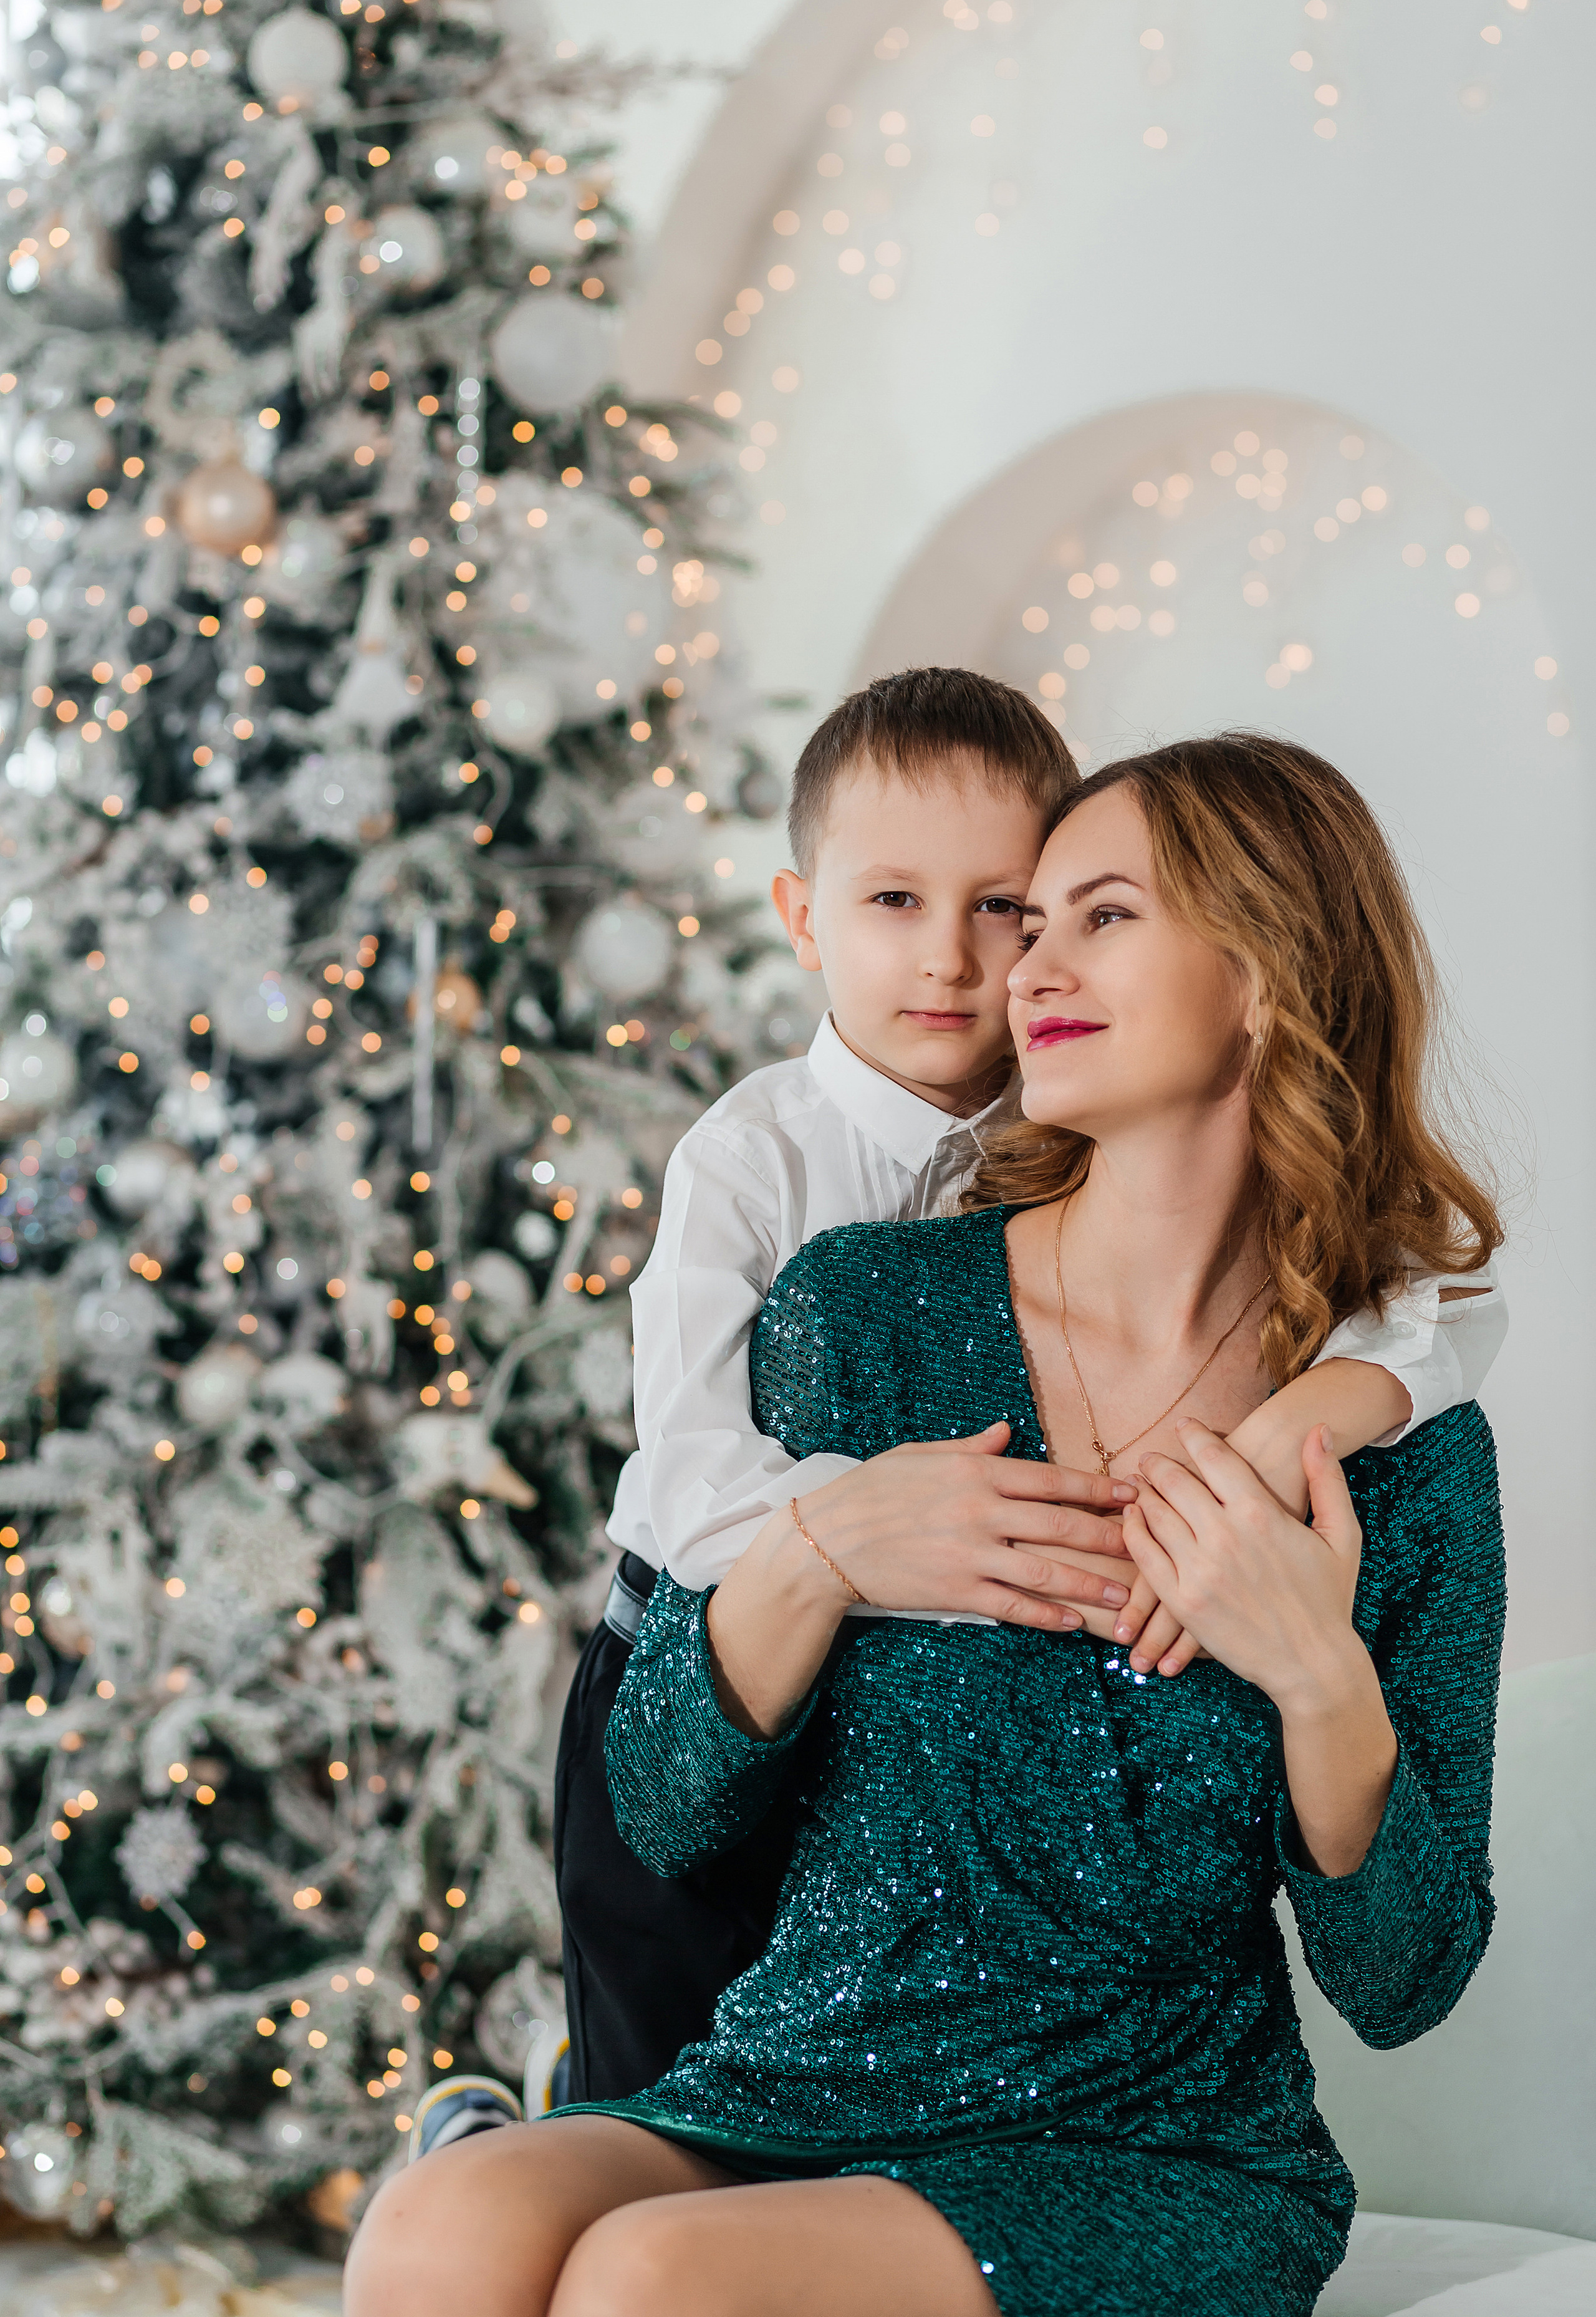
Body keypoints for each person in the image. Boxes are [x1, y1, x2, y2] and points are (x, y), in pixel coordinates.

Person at [346, 732, 1506, 2317]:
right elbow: (671, 1800)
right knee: (437, 2231)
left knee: (655, 2282)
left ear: (1265, 973)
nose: (1024, 964)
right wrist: (821, 1553)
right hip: (798, 2076)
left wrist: (1318, 1678)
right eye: (1036, 920)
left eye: (1100, 915)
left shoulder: (1398, 1451)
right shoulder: (862, 1306)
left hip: (1149, 2143)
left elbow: (1404, 1983)